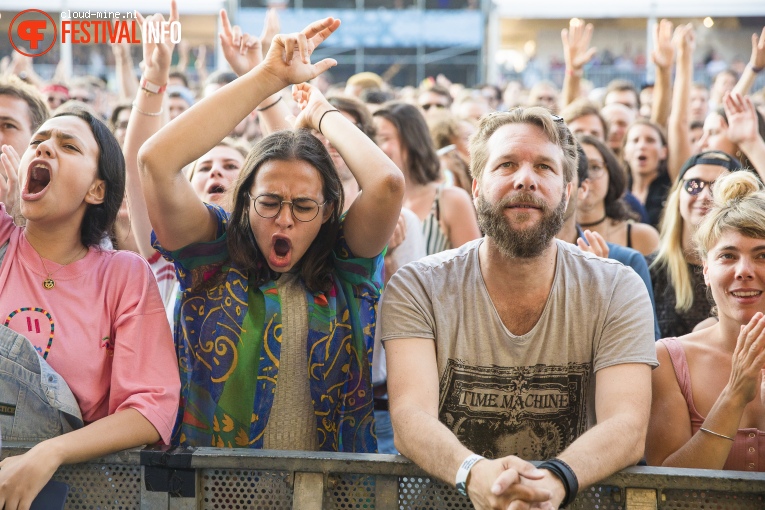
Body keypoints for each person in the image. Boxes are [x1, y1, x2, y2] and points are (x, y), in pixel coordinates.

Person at [138, 18, 405, 451]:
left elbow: (388, 184)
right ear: (244, 202)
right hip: (219, 491)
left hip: (329, 492)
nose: (284, 220)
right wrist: (267, 78)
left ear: (329, 211)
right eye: (269, 203)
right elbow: (156, 160)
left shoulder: (346, 266)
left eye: (303, 207)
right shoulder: (211, 257)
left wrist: (320, 112)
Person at [382, 107, 656, 509]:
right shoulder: (419, 285)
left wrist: (554, 482)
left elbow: (627, 425)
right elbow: (409, 417)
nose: (525, 178)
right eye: (506, 164)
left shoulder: (617, 286)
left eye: (544, 167)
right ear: (475, 188)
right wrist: (473, 473)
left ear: (566, 190)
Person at [0, 106, 180, 507]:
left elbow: (151, 408)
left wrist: (50, 453)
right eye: (38, 141)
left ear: (96, 190)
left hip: (73, 494)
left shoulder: (123, 275)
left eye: (68, 146)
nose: (45, 148)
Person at [646, 170, 765, 471]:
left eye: (762, 255)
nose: (744, 271)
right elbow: (666, 488)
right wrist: (735, 395)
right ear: (706, 271)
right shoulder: (669, 360)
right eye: (727, 256)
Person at [647, 150, 747, 338]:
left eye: (718, 187)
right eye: (694, 185)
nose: (704, 195)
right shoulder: (649, 269)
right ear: (677, 196)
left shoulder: (749, 272)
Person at [373, 102, 480, 255]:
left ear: (411, 140)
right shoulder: (374, 201)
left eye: (384, 138)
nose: (375, 147)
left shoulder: (450, 200)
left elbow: (471, 270)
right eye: (373, 139)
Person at [576, 135, 659, 256]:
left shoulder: (642, 237)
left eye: (595, 167)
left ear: (611, 175)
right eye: (576, 168)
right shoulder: (548, 238)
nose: (585, 178)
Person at [623, 119, 671, 229]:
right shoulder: (616, 192)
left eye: (650, 140)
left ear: (664, 152)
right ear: (625, 152)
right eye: (635, 140)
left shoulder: (672, 188)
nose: (642, 146)